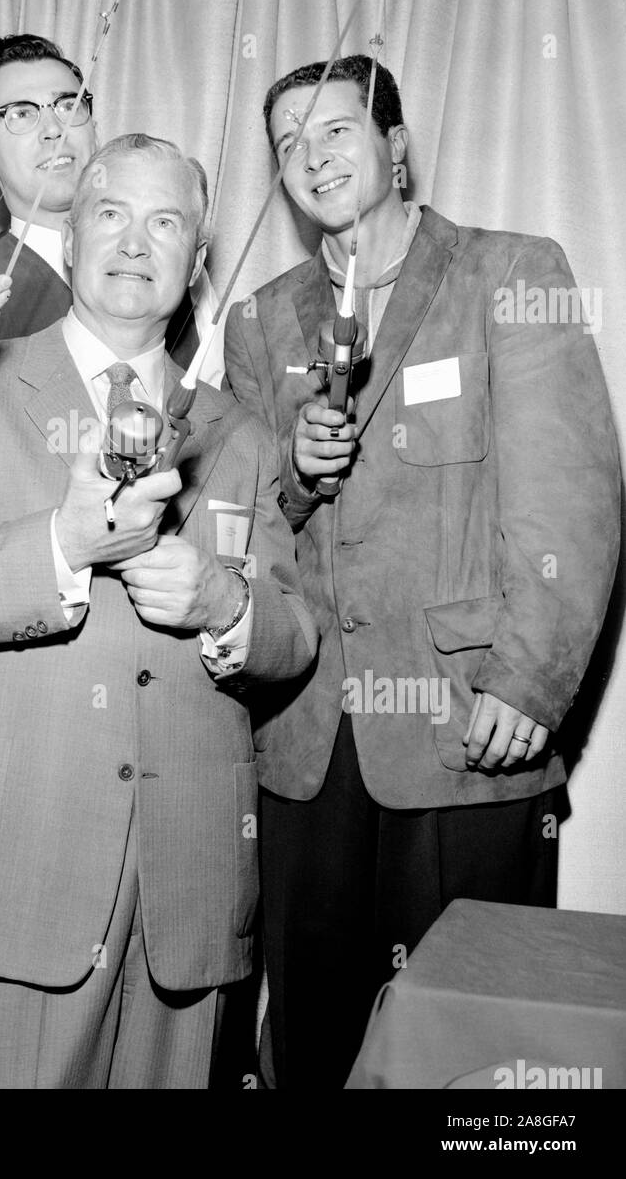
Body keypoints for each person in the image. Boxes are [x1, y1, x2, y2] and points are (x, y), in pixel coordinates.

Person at [0, 134, 318, 1088]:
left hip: (186, 895)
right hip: (13, 870)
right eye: (109, 214)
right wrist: (60, 551)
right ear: (68, 242)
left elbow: (296, 632)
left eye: (165, 222)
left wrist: (224, 602)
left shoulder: (236, 431)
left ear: (197, 262)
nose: (133, 242)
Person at [223, 56, 621, 1089]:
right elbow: (237, 530)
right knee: (312, 1039)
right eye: (287, 145)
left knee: (464, 1053)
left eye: (334, 132)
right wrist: (297, 481)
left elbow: (570, 498)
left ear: (395, 147)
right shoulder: (261, 320)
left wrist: (528, 680)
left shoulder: (509, 271)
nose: (310, 159)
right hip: (303, 746)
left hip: (465, 731)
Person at [0, 34, 224, 401]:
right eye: (21, 114)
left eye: (67, 105)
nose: (53, 131)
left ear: (94, 129)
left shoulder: (175, 263)